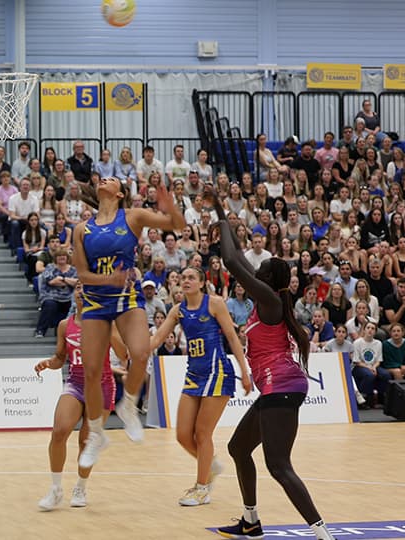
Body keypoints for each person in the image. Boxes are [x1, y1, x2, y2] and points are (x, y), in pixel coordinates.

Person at [208, 188, 336, 540]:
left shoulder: (267, 297)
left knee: (279, 465)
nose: (256, 264)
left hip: (281, 386)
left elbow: (233, 263)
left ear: (267, 278)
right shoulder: (268, 294)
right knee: (238, 448)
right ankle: (251, 522)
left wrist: (220, 223)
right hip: (277, 387)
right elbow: (241, 261)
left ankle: (324, 534)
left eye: (261, 266)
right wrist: (220, 210)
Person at [74, 174, 185, 469]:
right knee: (92, 371)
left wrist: (168, 205)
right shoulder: (82, 229)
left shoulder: (133, 216)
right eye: (103, 178)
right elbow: (82, 276)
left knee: (140, 353)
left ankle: (129, 405)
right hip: (96, 301)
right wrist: (107, 279)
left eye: (111, 179)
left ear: (120, 193)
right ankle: (96, 434)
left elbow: (178, 225)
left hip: (127, 298)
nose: (104, 180)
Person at [149, 267, 251, 506]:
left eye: (190, 277)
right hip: (194, 374)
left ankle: (202, 488)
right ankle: (210, 466)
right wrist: (130, 343)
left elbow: (232, 338)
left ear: (202, 283)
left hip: (217, 372)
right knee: (183, 435)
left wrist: (244, 371)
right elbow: (155, 340)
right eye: (182, 278)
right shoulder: (178, 310)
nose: (185, 281)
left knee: (202, 433)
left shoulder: (214, 304)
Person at [34, 284, 122, 511]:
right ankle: (55, 489)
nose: (82, 292)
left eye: (88, 289)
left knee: (86, 441)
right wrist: (48, 364)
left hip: (101, 386)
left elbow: (124, 355)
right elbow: (59, 357)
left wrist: (113, 329)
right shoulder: (65, 325)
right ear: (75, 293)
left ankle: (81, 487)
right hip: (75, 383)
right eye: (79, 288)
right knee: (60, 430)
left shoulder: (105, 323)